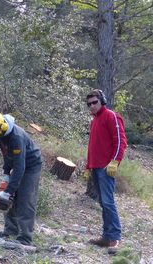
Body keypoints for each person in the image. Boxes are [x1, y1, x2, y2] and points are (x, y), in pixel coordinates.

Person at [0, 113, 42, 246]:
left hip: (31, 165)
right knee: (12, 198)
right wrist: (6, 174)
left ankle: (25, 238)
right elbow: (7, 155)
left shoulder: (16, 137)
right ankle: (10, 230)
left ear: (2, 130)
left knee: (25, 198)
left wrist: (8, 191)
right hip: (18, 163)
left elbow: (20, 167)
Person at [83, 89, 127, 254]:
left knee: (108, 202)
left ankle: (114, 238)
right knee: (103, 203)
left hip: (106, 167)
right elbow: (92, 146)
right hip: (96, 167)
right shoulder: (94, 121)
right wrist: (88, 166)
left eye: (95, 102)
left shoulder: (111, 116)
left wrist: (115, 161)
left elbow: (121, 141)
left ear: (102, 101)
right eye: (89, 104)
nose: (92, 106)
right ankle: (106, 236)